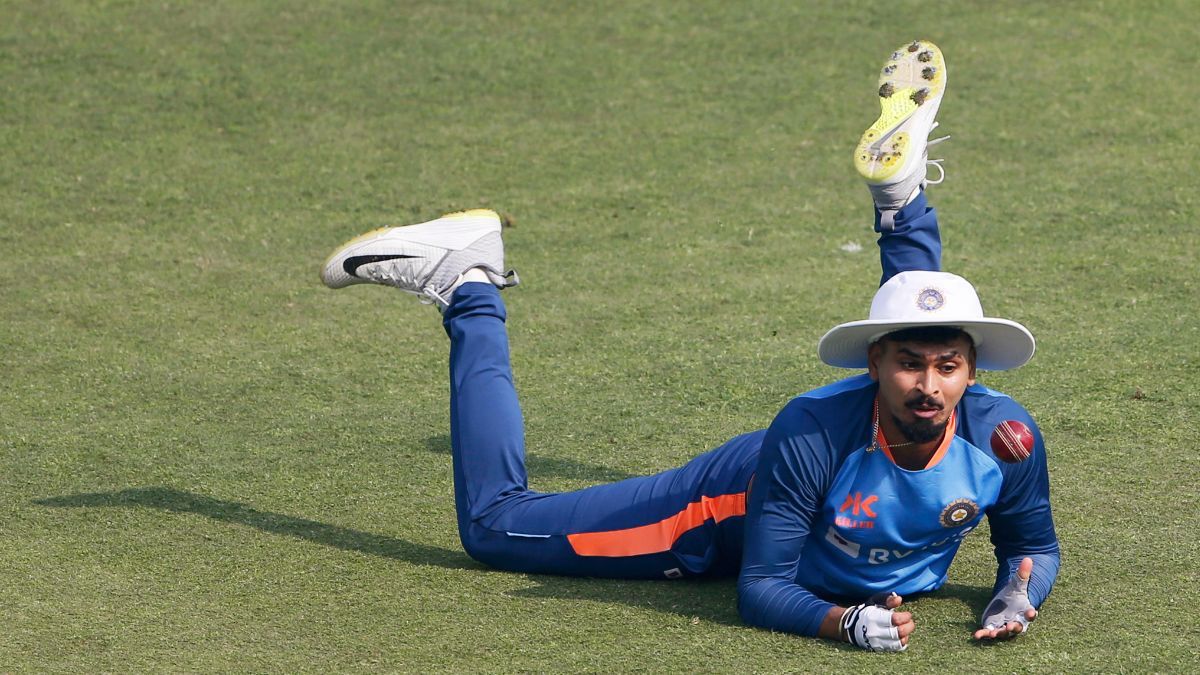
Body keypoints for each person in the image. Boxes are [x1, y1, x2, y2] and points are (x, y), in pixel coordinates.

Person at [318, 40, 1059, 652]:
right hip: (717, 511)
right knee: (495, 526)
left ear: (973, 371)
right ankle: (469, 282)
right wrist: (844, 622)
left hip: (837, 469)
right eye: (909, 366)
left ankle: (901, 202)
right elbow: (762, 587)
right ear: (871, 365)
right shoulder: (810, 430)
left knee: (916, 327)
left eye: (950, 367)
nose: (931, 383)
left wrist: (1015, 596)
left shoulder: (1004, 436)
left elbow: (1031, 549)